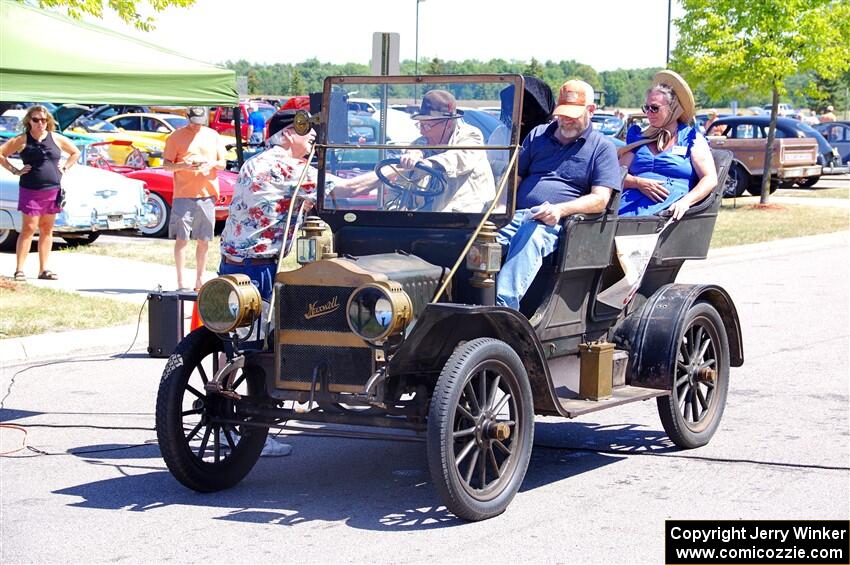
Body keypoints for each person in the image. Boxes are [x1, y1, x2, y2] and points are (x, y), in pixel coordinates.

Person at [495, 80, 621, 310]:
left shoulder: (602, 148)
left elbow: (600, 199)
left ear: (591, 111)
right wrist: (500, 209)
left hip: (560, 225)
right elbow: (515, 179)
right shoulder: (538, 135)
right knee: (479, 238)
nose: (565, 121)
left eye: (573, 115)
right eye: (562, 114)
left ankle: (503, 308)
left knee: (532, 234)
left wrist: (559, 210)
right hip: (518, 214)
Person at [617, 70, 717, 219]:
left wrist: (685, 202)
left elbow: (710, 178)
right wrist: (638, 182)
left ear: (672, 108)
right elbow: (617, 174)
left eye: (655, 108)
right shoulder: (639, 138)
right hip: (628, 207)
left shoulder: (691, 138)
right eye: (647, 108)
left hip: (667, 213)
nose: (649, 113)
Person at [0, 105, 80, 282]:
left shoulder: (56, 138)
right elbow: (1, 153)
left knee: (47, 229)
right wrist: (15, 170)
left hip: (52, 189)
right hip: (30, 189)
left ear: (48, 121)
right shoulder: (22, 140)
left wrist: (65, 167)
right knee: (28, 229)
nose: (40, 123)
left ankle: (44, 269)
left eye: (44, 120)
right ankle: (19, 270)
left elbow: (75, 152)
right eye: (36, 119)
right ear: (29, 121)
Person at [163, 106, 227, 291]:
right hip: (183, 194)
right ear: (187, 117)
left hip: (207, 194)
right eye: (193, 123)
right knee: (181, 238)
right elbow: (166, 165)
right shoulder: (175, 137)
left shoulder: (213, 135)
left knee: (204, 239)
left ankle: (199, 280)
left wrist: (211, 164)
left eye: (200, 123)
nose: (197, 126)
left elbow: (222, 163)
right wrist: (184, 166)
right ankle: (181, 282)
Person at [402, 89, 496, 213]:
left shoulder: (471, 136)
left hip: (466, 220)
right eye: (420, 125)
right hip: (424, 219)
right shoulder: (420, 143)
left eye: (427, 126)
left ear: (448, 124)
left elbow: (458, 158)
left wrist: (426, 164)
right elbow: (400, 184)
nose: (422, 131)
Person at [487, 76, 556, 179]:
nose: (522, 115)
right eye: (515, 106)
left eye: (528, 108)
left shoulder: (556, 135)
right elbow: (489, 166)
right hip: (505, 191)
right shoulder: (501, 133)